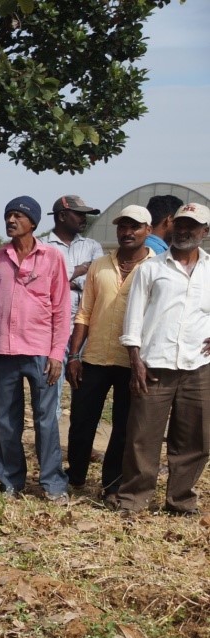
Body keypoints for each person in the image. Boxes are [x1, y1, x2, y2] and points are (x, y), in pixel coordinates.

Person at [115, 203, 210, 516]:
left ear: (205, 232)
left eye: (192, 226)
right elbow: (133, 318)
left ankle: (181, 500)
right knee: (142, 436)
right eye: (180, 224)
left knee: (195, 438)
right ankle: (133, 498)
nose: (184, 231)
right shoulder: (151, 268)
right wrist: (135, 360)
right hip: (154, 363)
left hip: (198, 365)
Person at [0, 196, 71, 501]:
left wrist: (57, 354)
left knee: (46, 420)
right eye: (8, 215)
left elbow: (62, 309)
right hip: (3, 350)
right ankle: (10, 482)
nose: (11, 220)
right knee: (4, 420)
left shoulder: (52, 258)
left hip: (41, 351)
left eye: (18, 216)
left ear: (33, 223)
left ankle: (53, 484)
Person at [65, 205, 153, 499]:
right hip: (95, 357)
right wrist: (74, 356)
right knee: (81, 420)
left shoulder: (156, 267)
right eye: (122, 227)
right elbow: (84, 312)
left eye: (134, 227)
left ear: (148, 230)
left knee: (124, 427)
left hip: (132, 361)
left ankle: (112, 485)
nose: (127, 232)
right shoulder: (100, 265)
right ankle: (75, 477)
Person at [45, 195, 102, 320]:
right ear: (62, 216)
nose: (84, 218)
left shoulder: (93, 246)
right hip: (51, 318)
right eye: (79, 214)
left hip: (85, 320)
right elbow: (43, 281)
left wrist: (63, 283)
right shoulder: (42, 246)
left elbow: (97, 280)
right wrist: (82, 269)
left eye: (85, 215)